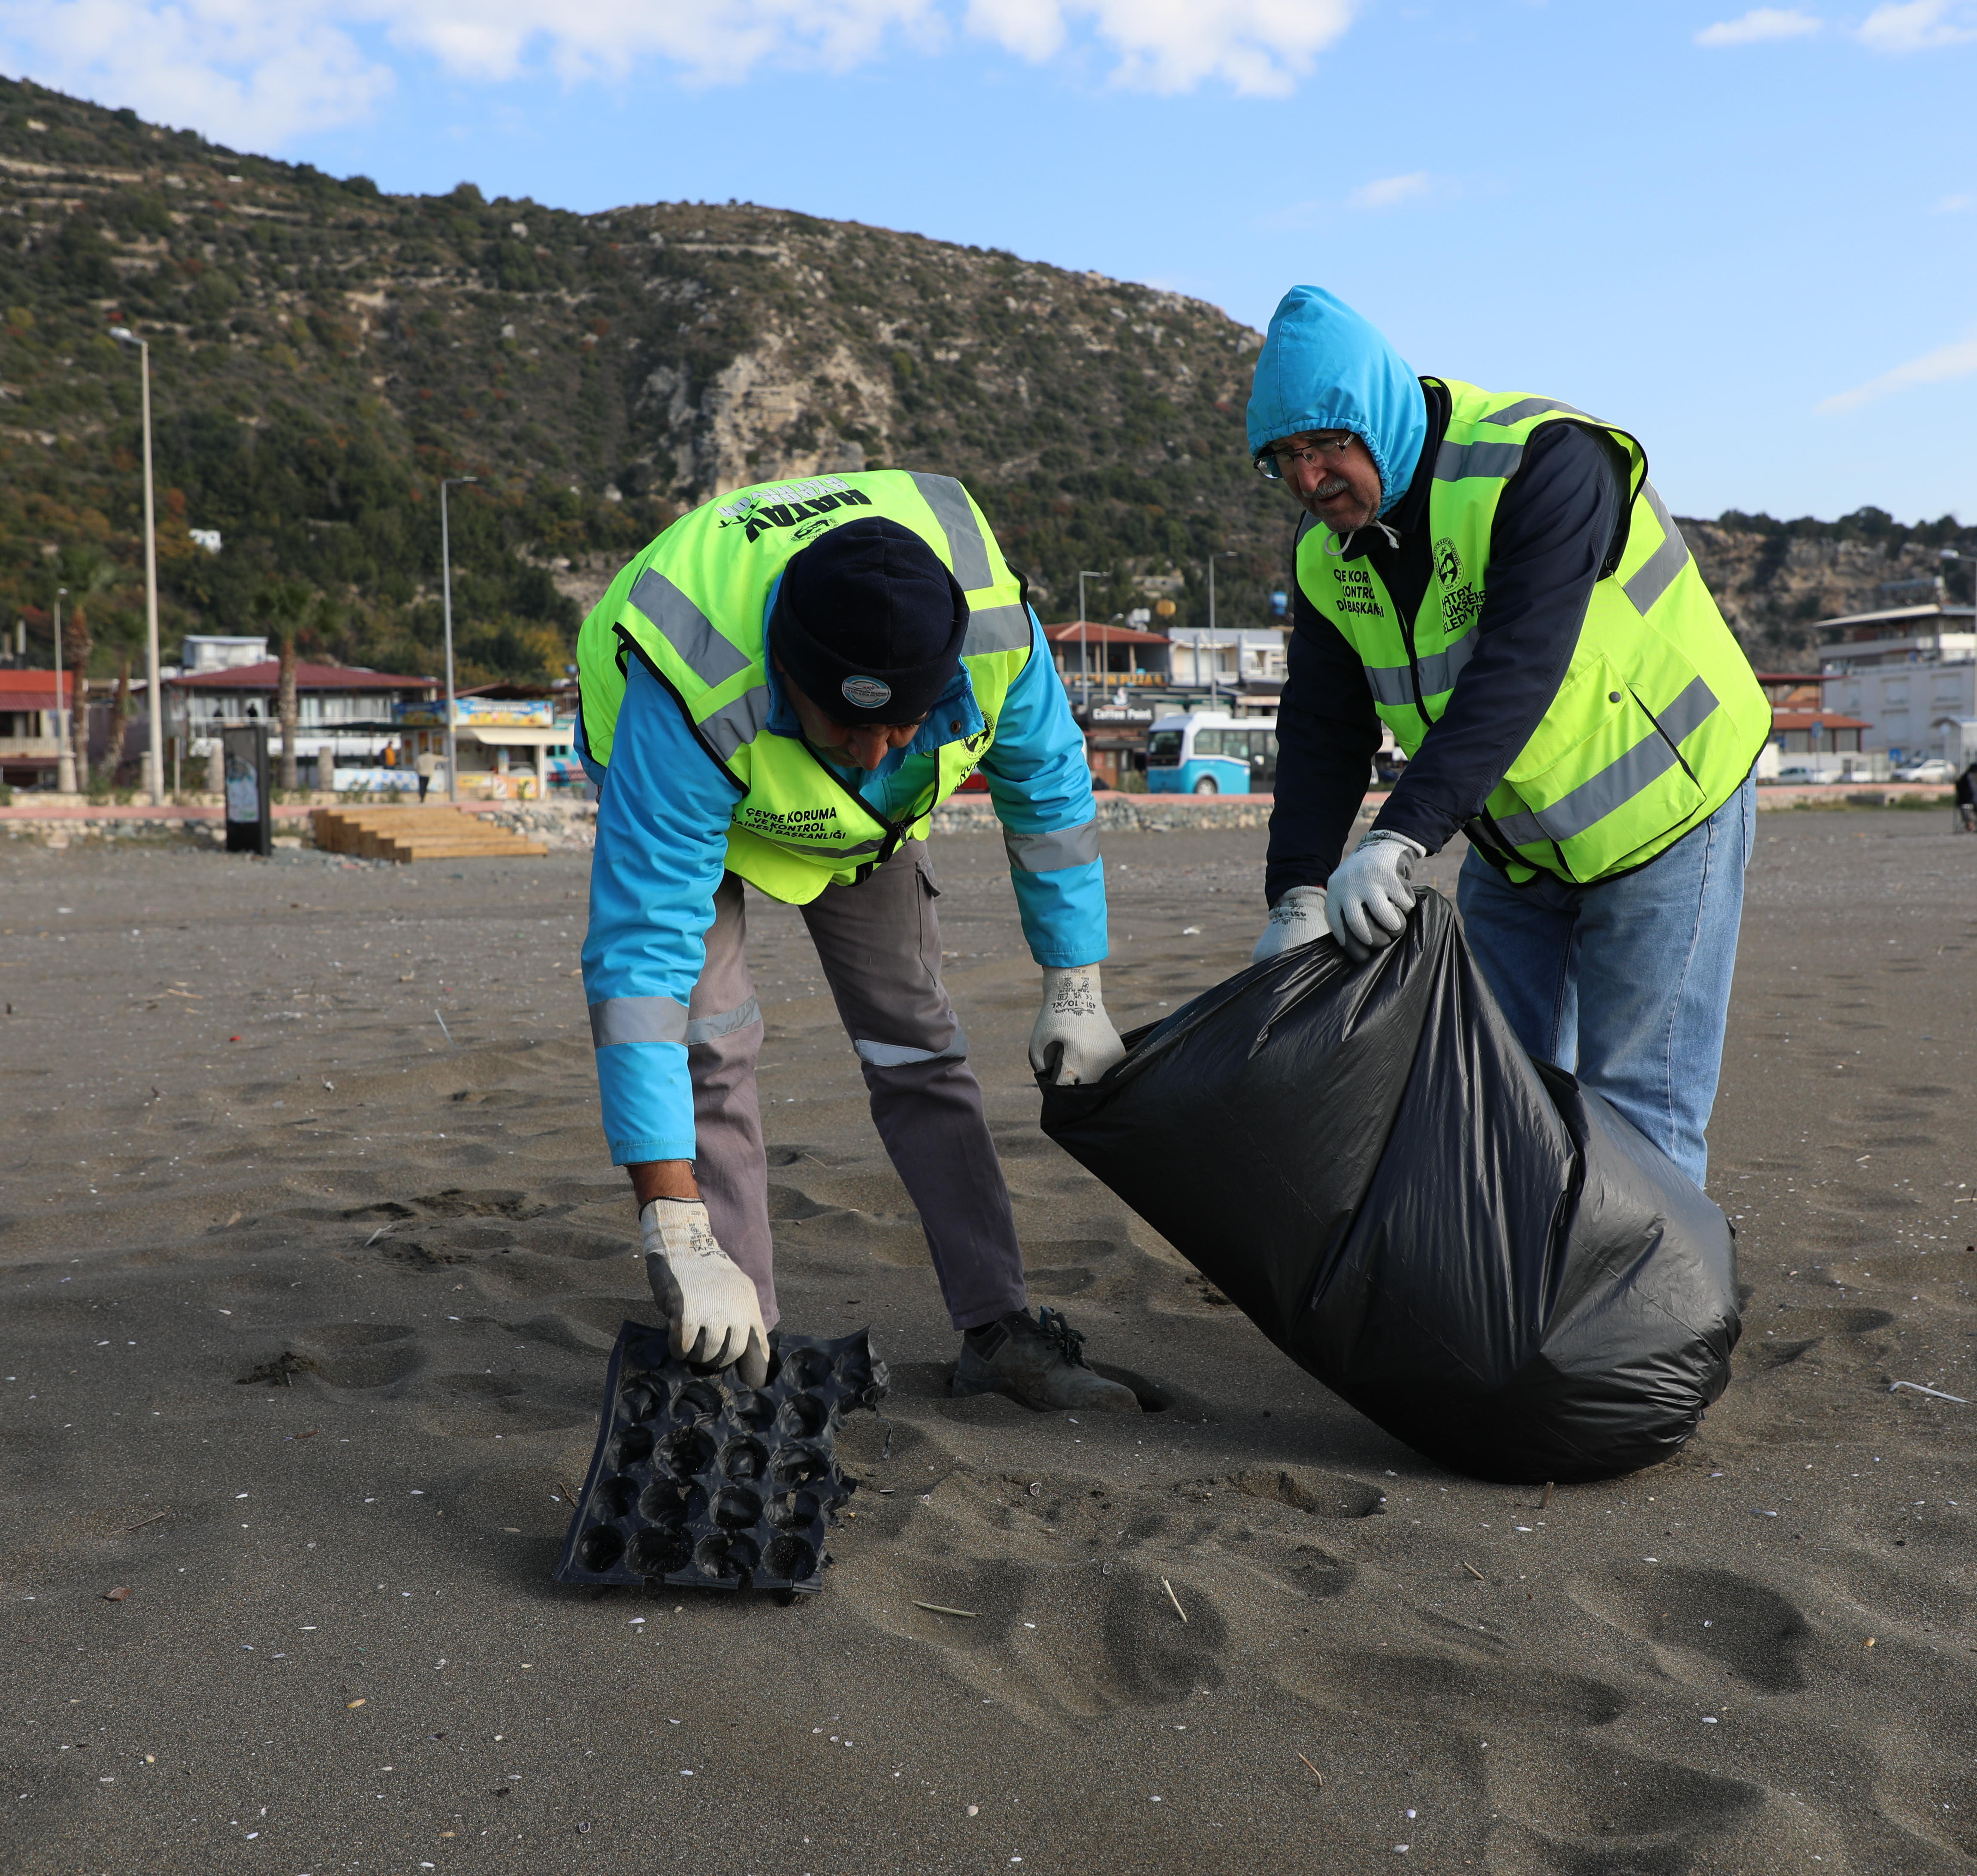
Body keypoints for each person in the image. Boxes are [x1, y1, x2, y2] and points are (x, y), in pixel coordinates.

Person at [575, 471, 1139, 1409]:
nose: (878, 751)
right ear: (790, 671)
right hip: (705, 786)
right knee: (710, 1050)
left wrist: (1074, 983)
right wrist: (672, 1221)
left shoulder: (994, 630)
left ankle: (999, 1328)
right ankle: (738, 1351)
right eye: (849, 724)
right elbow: (640, 964)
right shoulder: (691, 683)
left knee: (919, 1042)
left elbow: (1049, 796)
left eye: (903, 724)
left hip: (861, 830)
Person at [1244, 287, 1769, 1188]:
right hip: (1516, 848)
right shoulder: (1325, 556)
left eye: (1329, 444)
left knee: (1636, 1107)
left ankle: (1653, 1324)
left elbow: (1517, 671)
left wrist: (1396, 839)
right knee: (1496, 1092)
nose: (1308, 478)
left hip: (1671, 817)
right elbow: (1324, 728)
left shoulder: (1543, 461)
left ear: (1381, 417)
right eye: (1285, 456)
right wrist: (1294, 888)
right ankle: (1530, 1305)